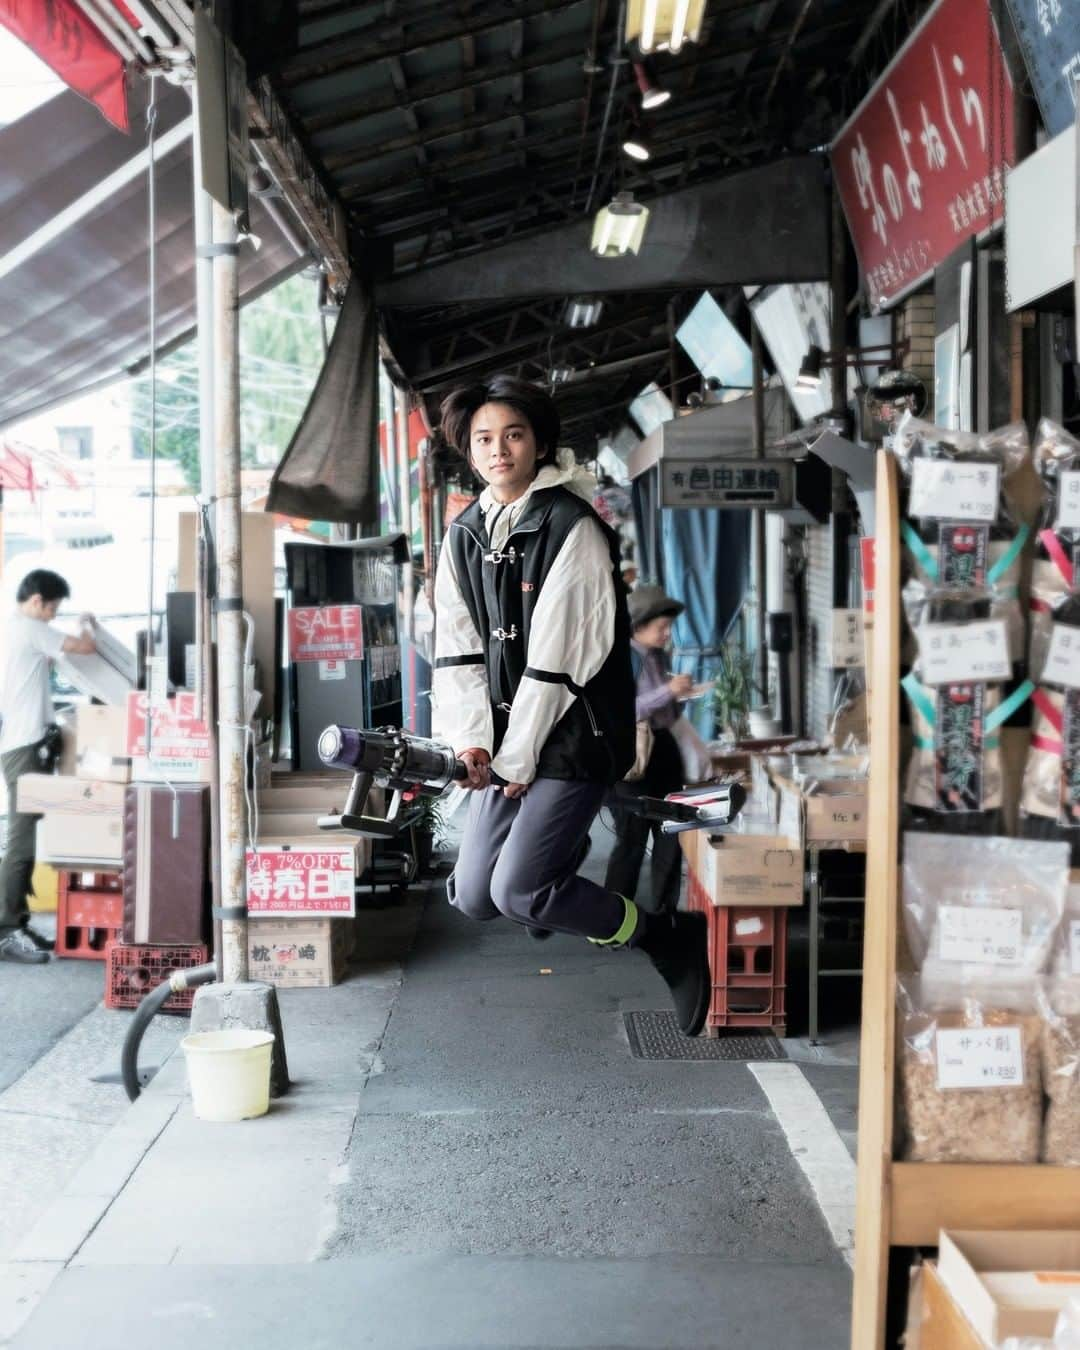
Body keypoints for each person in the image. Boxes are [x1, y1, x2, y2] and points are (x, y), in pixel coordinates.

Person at [432, 375, 710, 1037]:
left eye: (514, 434)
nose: (499, 450)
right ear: (469, 453)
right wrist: (472, 743)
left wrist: (519, 757)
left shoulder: (573, 526)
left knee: (520, 890)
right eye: (484, 439)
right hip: (508, 742)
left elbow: (558, 663)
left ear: (539, 442)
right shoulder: (464, 535)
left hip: (573, 737)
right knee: (473, 896)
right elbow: (457, 653)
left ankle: (665, 938)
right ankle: (554, 847)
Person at [0, 570, 96, 965]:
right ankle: (6, 930)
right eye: (53, 608)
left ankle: (16, 923)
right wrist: (87, 624)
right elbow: (84, 647)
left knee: (25, 838)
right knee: (21, 842)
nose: (53, 616)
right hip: (23, 748)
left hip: (23, 744)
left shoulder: (15, 627)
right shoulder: (28, 627)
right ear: (37, 600)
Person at [604, 586, 692, 916]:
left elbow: (665, 712)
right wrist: (668, 690)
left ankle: (664, 913)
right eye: (662, 627)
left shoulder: (658, 656)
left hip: (663, 750)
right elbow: (626, 709)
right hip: (632, 756)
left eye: (669, 626)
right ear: (638, 626)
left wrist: (678, 695)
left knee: (672, 831)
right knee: (631, 837)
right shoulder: (622, 658)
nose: (667, 633)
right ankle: (610, 915)